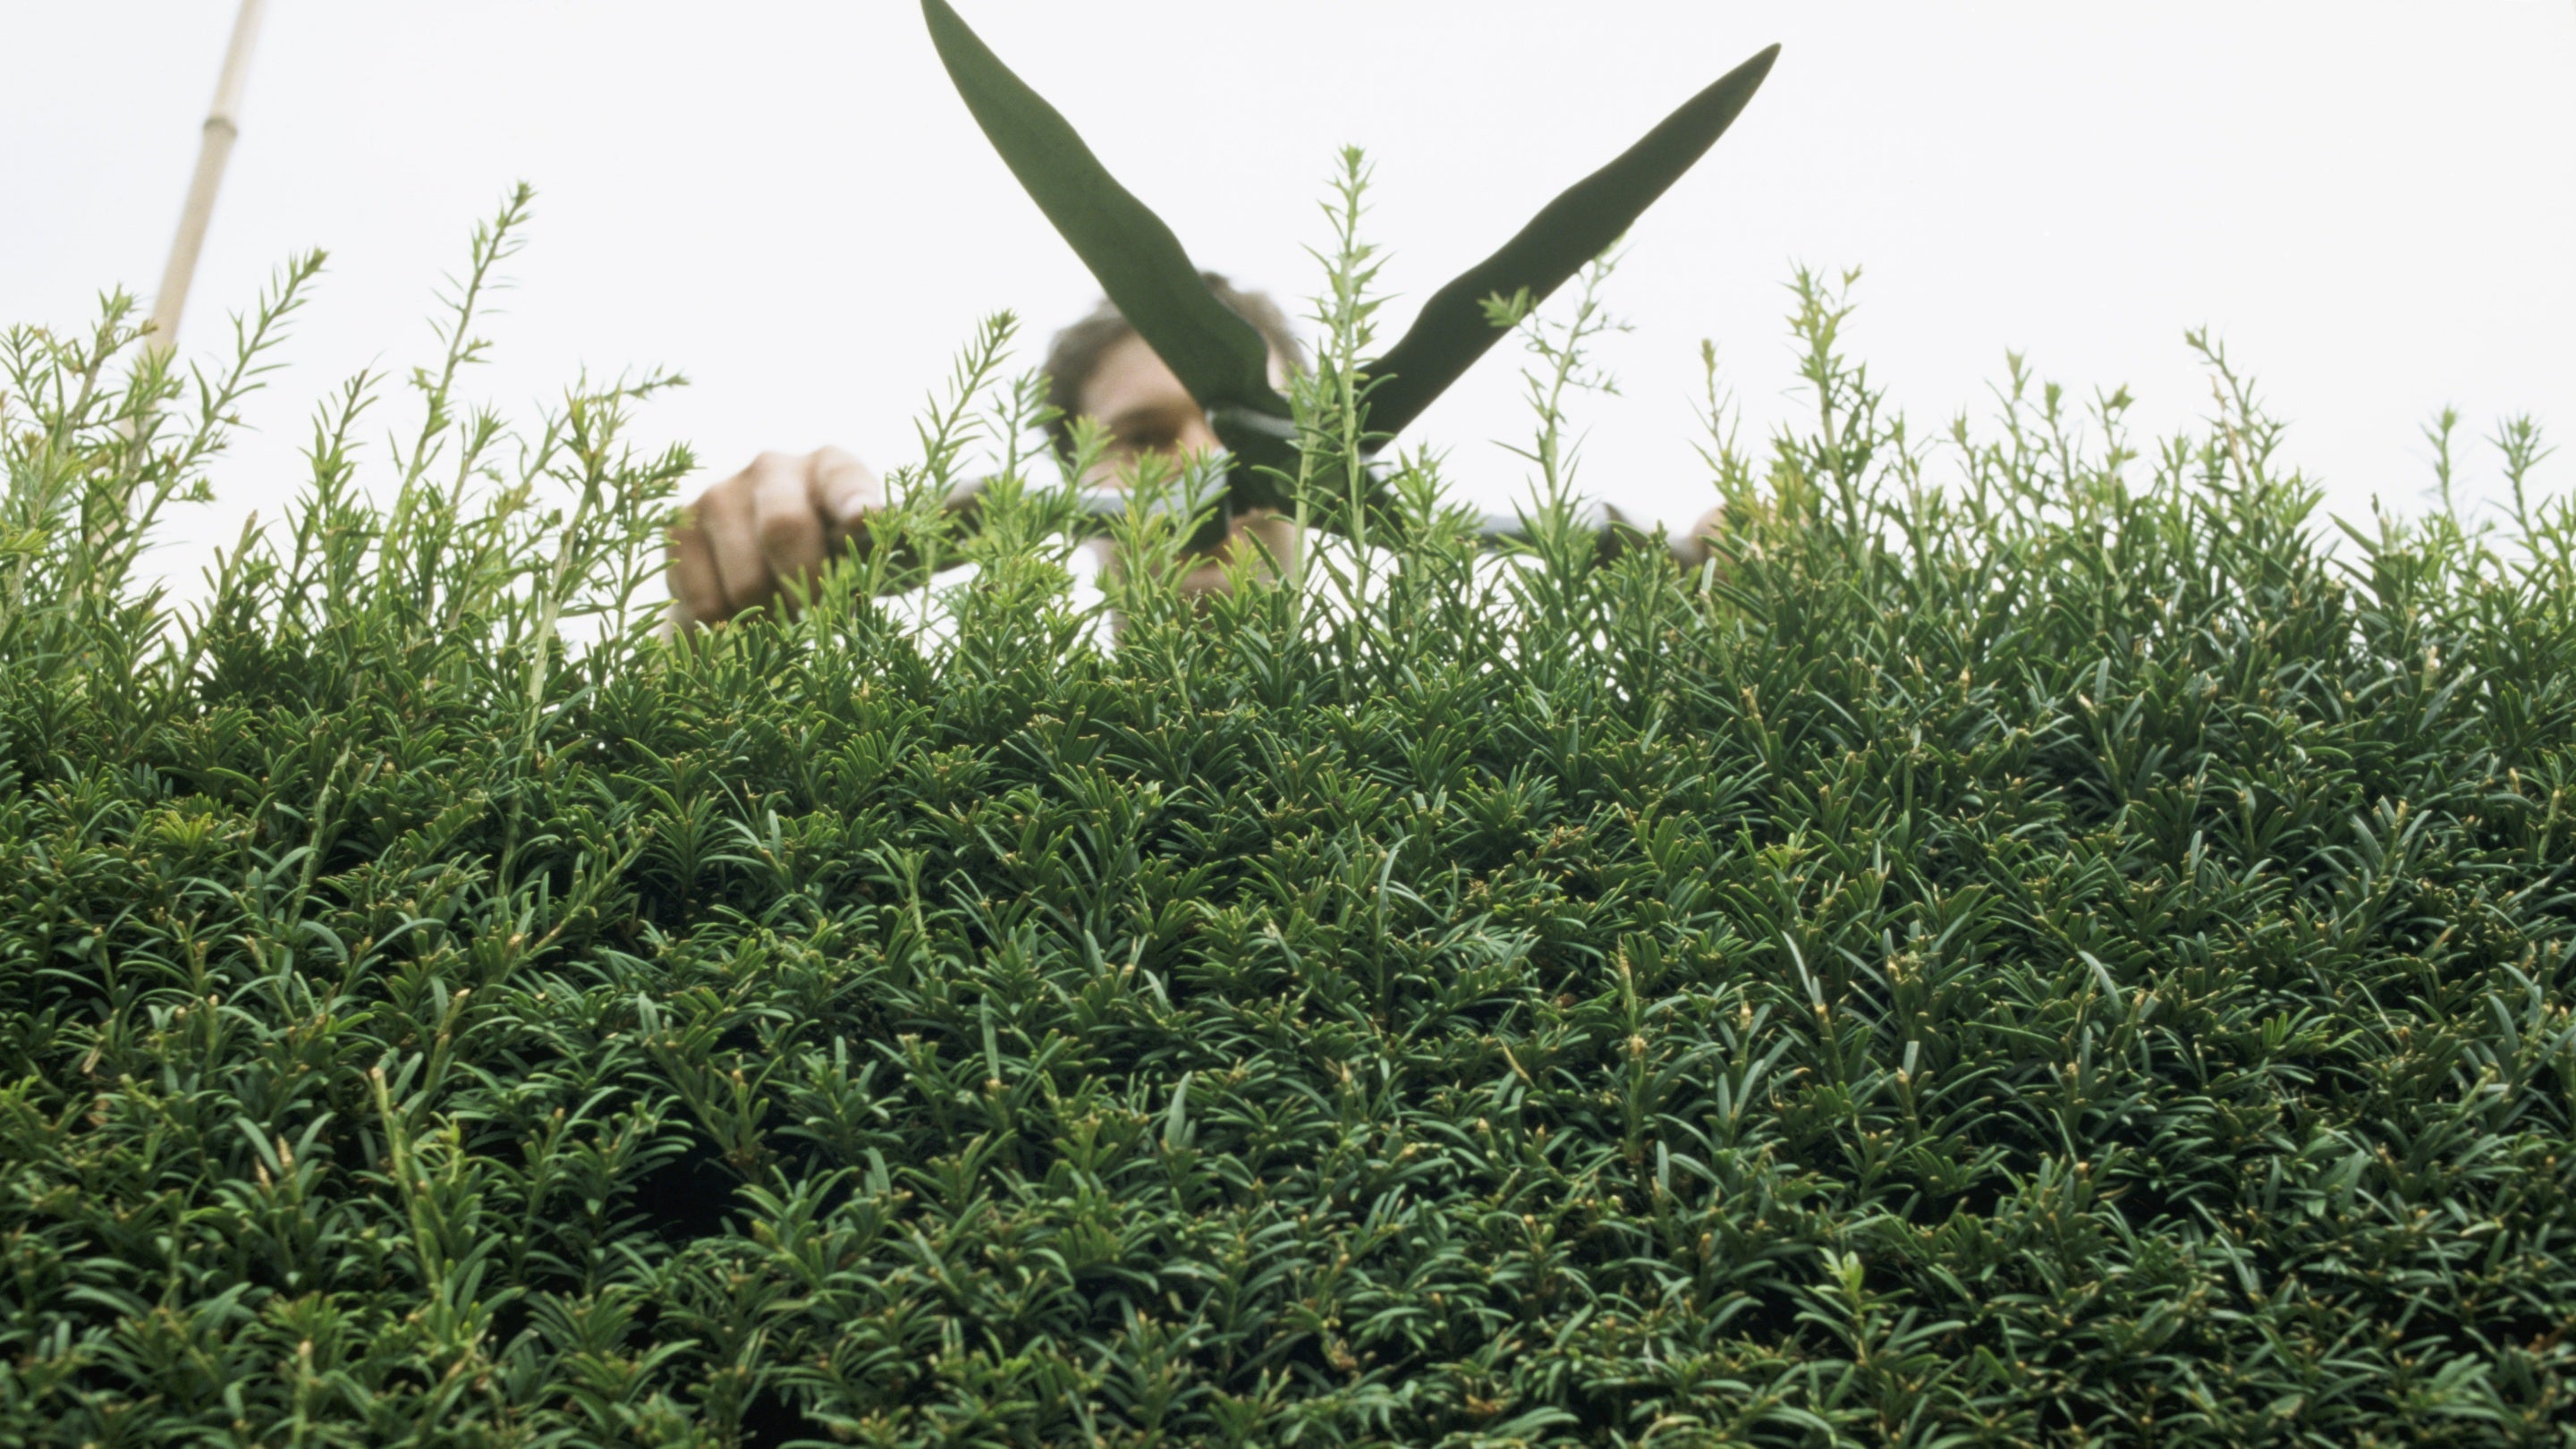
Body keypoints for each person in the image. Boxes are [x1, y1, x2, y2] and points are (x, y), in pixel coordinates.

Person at [664, 275, 1725, 633]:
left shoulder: (1511, 782)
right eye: (1141, 435)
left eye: (1255, 427)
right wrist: (718, 655)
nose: (1212, 469)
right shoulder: (955, 792)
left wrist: (1767, 645)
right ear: (1074, 476)